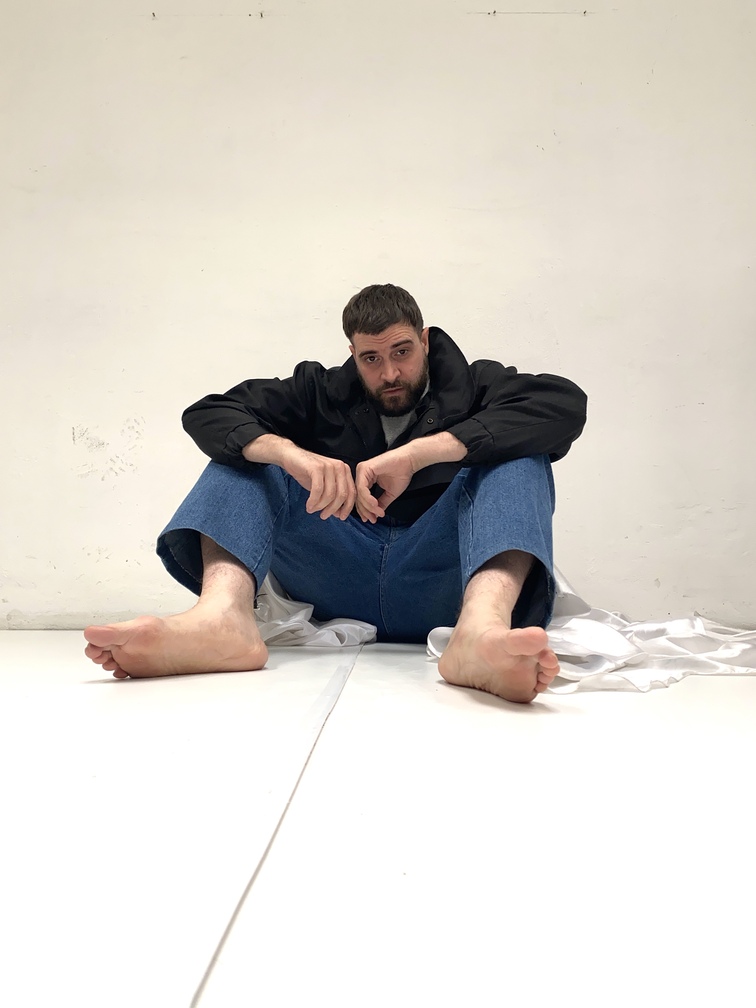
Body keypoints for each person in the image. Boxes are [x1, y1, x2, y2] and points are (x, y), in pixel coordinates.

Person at [84, 284, 587, 703]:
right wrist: (289, 454)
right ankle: (222, 621)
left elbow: (564, 404)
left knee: (519, 454)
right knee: (247, 454)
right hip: (335, 572)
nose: (389, 373)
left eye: (402, 352)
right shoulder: (318, 391)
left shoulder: (478, 385)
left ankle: (480, 634)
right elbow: (208, 412)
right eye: (371, 358)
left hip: (442, 582)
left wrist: (422, 453)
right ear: (352, 354)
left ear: (425, 339)